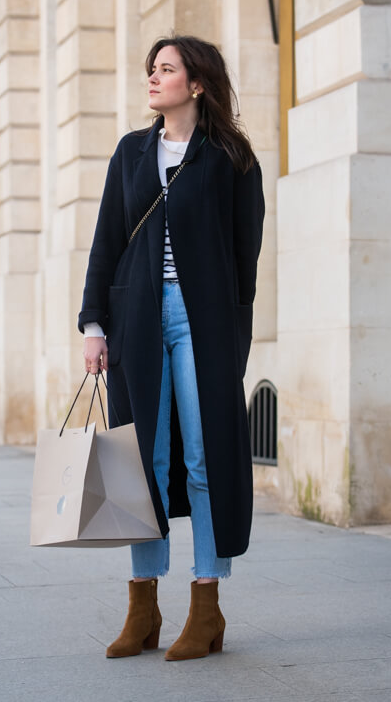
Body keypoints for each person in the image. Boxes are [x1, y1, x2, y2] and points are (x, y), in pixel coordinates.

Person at [78, 36, 264, 661]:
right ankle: (142, 608)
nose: (153, 79)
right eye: (151, 69)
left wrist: (234, 336)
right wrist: (93, 325)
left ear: (198, 83)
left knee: (204, 459)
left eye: (166, 69)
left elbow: (245, 260)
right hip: (136, 317)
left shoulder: (230, 158)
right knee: (141, 464)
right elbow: (107, 238)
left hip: (202, 321)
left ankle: (206, 606)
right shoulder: (132, 152)